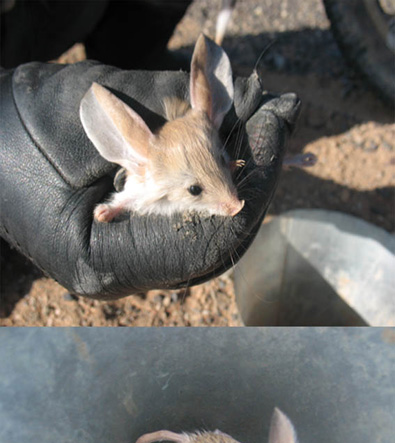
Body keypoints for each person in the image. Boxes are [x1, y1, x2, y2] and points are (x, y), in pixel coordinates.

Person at [0, 0, 300, 299]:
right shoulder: (147, 168)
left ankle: (136, 51)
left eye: (221, 161)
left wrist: (246, 164)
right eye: (195, 189)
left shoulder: (206, 126)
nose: (232, 202)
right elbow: (129, 197)